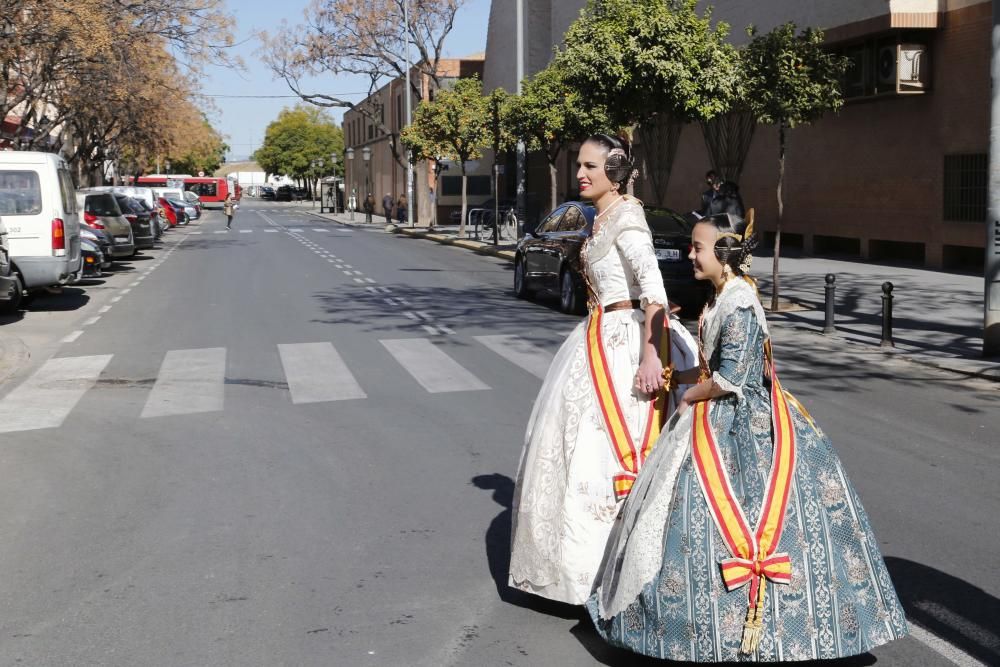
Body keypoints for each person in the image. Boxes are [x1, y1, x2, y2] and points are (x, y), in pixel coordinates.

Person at [588, 212, 908, 661]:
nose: (690, 254)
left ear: (724, 252)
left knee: (736, 513)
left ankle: (756, 629)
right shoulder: (722, 296)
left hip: (741, 421)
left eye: (698, 247)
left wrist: (687, 396)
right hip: (720, 406)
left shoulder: (738, 301)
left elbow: (731, 378)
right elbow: (715, 368)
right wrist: (680, 375)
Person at [508, 133, 700, 605]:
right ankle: (583, 573)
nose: (580, 173)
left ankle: (616, 576)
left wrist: (651, 355)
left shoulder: (628, 219)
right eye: (579, 164)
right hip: (598, 333)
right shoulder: (602, 217)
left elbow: (652, 289)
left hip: (624, 340)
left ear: (614, 172)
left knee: (610, 452)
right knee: (573, 450)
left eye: (590, 166)